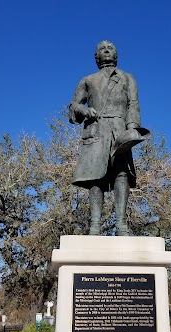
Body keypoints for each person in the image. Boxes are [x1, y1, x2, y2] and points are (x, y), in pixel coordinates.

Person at [69, 40, 149, 235]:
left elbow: (133, 105)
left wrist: (131, 131)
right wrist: (84, 110)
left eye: (110, 48)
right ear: (97, 57)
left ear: (116, 54)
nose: (106, 50)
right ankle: (95, 225)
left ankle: (121, 224)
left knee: (122, 175)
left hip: (120, 130)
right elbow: (73, 109)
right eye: (102, 49)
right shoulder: (88, 79)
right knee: (96, 177)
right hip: (96, 131)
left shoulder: (127, 78)